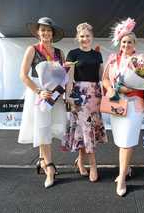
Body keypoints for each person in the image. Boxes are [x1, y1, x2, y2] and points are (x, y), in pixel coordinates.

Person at [18, 17, 66, 188]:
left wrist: (63, 91)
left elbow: (63, 76)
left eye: (48, 30)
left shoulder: (60, 53)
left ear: (52, 33)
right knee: (43, 127)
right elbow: (23, 75)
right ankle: (50, 167)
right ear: (38, 32)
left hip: (55, 95)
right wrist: (38, 91)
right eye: (42, 30)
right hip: (39, 94)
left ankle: (41, 160)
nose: (46, 33)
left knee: (50, 127)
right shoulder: (32, 49)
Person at [102, 18, 144, 196]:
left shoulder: (140, 59)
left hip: (134, 104)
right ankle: (126, 169)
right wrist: (110, 88)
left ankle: (121, 177)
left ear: (134, 44)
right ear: (120, 43)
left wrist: (131, 88)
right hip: (117, 103)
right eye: (124, 41)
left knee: (127, 141)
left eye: (130, 42)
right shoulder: (112, 60)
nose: (126, 44)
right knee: (121, 140)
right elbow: (105, 79)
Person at [61, 22, 107, 182]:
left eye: (87, 36)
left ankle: (80, 162)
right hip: (80, 95)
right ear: (77, 38)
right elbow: (69, 79)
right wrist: (68, 97)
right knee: (85, 129)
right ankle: (93, 166)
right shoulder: (72, 54)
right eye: (82, 36)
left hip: (95, 94)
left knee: (85, 130)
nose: (85, 39)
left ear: (92, 37)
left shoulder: (97, 55)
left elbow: (102, 76)